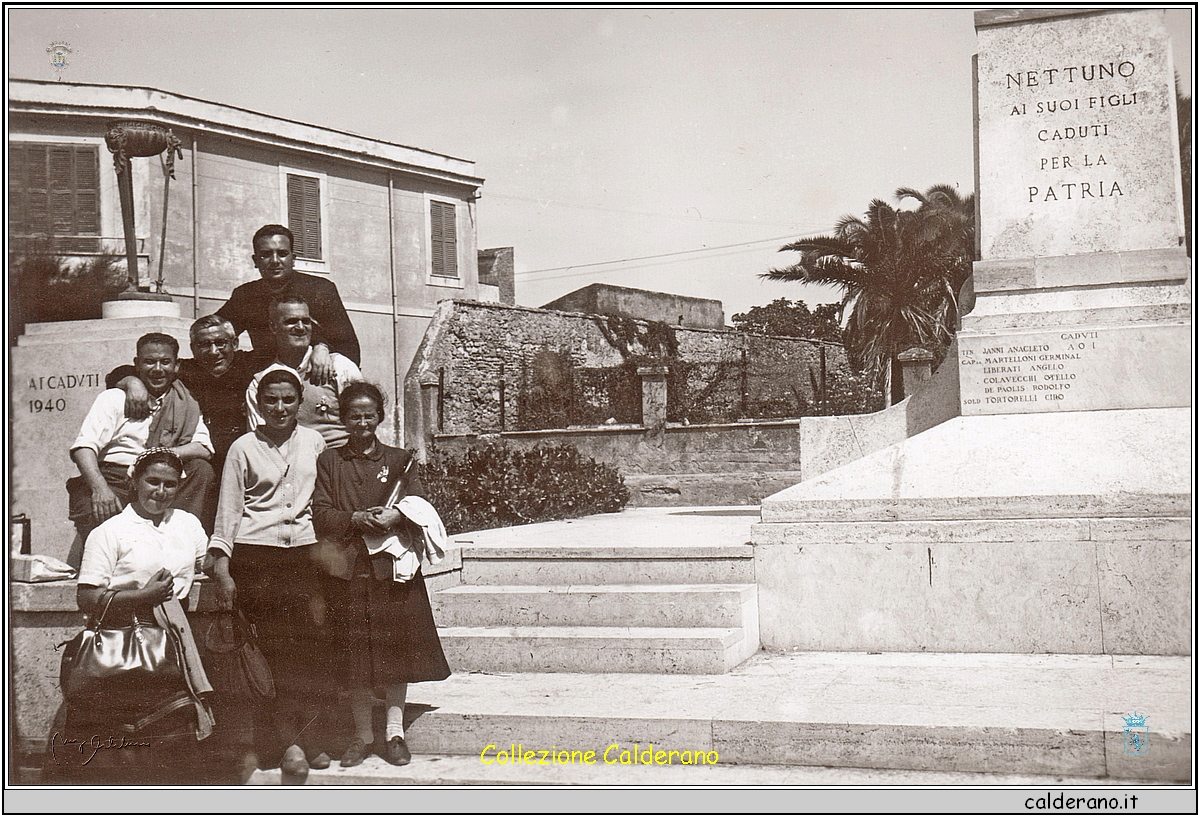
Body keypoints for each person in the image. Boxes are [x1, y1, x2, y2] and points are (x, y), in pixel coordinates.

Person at [312, 382, 450, 768]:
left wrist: (398, 514)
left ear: (379, 417)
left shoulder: (400, 459)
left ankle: (394, 733)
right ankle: (362, 735)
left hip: (392, 569)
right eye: (353, 415)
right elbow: (321, 513)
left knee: (395, 651)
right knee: (355, 655)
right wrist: (355, 518)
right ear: (343, 418)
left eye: (368, 414)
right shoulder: (330, 462)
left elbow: (419, 502)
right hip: (348, 569)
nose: (361, 422)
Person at [57, 448, 214, 785]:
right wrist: (145, 596)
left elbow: (207, 562)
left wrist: (225, 565)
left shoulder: (187, 524)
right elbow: (86, 597)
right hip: (121, 646)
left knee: (169, 751)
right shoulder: (110, 532)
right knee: (118, 754)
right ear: (134, 481)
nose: (160, 491)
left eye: (169, 485)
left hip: (173, 645)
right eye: (152, 481)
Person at [206, 368, 331, 781]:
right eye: (271, 400)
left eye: (288, 400)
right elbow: (229, 510)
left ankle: (309, 737)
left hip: (306, 556)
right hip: (257, 558)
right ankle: (286, 743)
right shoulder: (243, 447)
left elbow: (329, 496)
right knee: (269, 654)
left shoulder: (315, 442)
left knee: (309, 650)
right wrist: (222, 566)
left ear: (300, 402)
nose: (279, 408)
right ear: (259, 404)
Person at [68, 333, 215, 552]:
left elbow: (203, 447)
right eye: (149, 362)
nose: (158, 369)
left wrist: (157, 455)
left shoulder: (186, 401)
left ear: (176, 366)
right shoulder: (115, 398)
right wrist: (100, 489)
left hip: (161, 477)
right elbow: (84, 448)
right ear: (137, 364)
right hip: (116, 478)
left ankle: (178, 548)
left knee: (200, 470)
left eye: (165, 362)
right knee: (98, 517)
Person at [107, 314, 258, 474]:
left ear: (234, 344)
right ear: (193, 349)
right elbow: (119, 374)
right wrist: (132, 382)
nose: (214, 352)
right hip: (203, 458)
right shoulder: (186, 369)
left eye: (220, 343)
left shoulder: (250, 364)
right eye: (204, 345)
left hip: (242, 457)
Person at [218, 224, 360, 379]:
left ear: (293, 258)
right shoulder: (246, 295)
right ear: (255, 260)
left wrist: (322, 347)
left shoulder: (320, 289)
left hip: (313, 378)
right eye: (266, 254)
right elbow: (214, 331)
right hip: (268, 381)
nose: (275, 261)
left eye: (282, 253)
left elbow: (350, 349)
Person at [245, 295, 362, 448]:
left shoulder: (339, 366)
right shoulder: (261, 382)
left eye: (306, 321)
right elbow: (260, 443)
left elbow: (364, 421)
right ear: (273, 327)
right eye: (291, 321)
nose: (300, 327)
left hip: (342, 461)